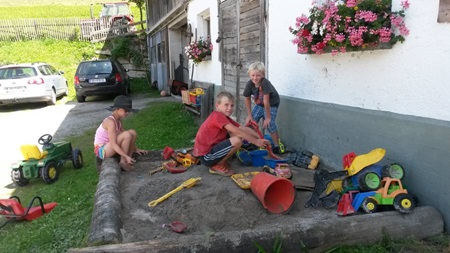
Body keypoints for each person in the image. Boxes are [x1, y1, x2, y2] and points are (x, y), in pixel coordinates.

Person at [193, 91, 271, 176]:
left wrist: (260, 138)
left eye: (232, 105)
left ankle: (221, 161)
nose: (229, 108)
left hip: (212, 150)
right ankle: (217, 165)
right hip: (207, 156)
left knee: (236, 135)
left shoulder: (224, 117)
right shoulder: (217, 116)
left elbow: (242, 129)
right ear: (217, 105)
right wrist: (256, 142)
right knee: (237, 140)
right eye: (226, 105)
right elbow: (238, 132)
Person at [94, 95, 148, 171]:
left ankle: (127, 160)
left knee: (132, 132)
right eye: (126, 110)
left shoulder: (118, 121)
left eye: (128, 111)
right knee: (127, 134)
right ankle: (123, 161)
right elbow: (113, 143)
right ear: (117, 109)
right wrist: (125, 156)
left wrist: (136, 149)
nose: (127, 113)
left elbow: (125, 134)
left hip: (108, 147)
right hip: (102, 150)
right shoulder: (110, 122)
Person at [243, 61, 285, 154]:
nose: (255, 78)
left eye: (258, 75)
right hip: (260, 104)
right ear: (249, 75)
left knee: (270, 124)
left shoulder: (265, 83)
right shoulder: (250, 84)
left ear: (263, 75)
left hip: (271, 104)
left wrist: (268, 118)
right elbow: (247, 99)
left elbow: (266, 102)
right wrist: (249, 115)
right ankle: (252, 142)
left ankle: (277, 145)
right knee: (251, 123)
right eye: (253, 75)